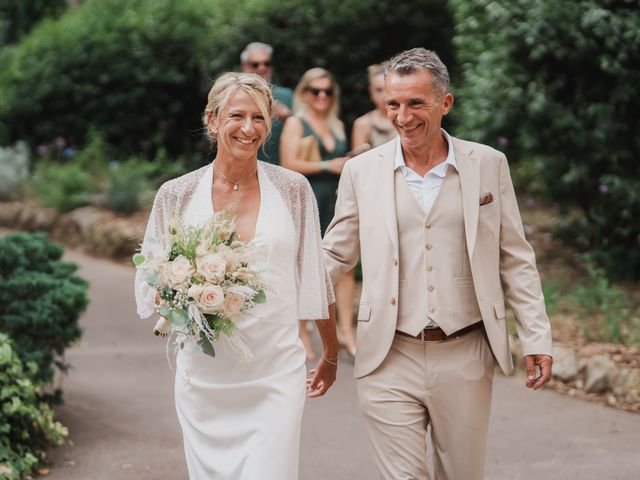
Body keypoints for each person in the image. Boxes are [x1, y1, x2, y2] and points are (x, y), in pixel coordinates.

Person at [322, 48, 553, 479]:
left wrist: (537, 335)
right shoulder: (362, 171)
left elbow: (515, 257)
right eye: (393, 103)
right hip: (387, 354)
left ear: (445, 103)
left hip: (464, 351)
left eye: (415, 103)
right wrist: (268, 291)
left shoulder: (487, 164)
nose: (402, 116)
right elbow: (335, 253)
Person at [135, 72, 338, 480]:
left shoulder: (294, 189)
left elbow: (315, 277)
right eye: (236, 116)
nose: (248, 128)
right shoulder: (175, 194)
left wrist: (330, 353)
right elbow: (150, 285)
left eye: (259, 118)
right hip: (206, 380)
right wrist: (186, 293)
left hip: (276, 371)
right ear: (212, 120)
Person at [280, 68, 356, 360]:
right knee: (305, 266)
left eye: (327, 91)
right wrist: (328, 166)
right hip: (307, 199)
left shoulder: (337, 125)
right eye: (315, 91)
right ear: (305, 93)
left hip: (335, 200)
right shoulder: (296, 124)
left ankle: (345, 330)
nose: (322, 96)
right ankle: (302, 331)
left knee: (345, 266)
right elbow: (289, 164)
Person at [240, 42, 293, 165]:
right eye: (255, 64)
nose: (262, 68)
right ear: (244, 67)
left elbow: (305, 133)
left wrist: (288, 118)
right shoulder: (231, 95)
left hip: (280, 170)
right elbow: (211, 136)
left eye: (267, 63)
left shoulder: (287, 96)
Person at [351, 63, 396, 150]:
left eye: (388, 89)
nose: (384, 95)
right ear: (371, 91)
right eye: (379, 90)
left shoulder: (405, 120)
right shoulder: (362, 124)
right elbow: (358, 160)